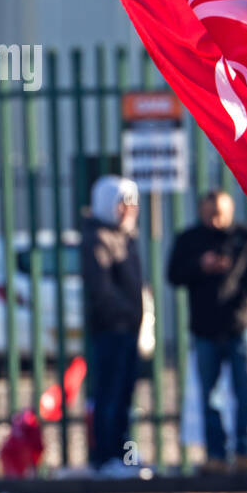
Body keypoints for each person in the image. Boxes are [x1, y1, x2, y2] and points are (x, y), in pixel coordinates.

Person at [167, 189, 247, 473]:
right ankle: (215, 454)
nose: (215, 220)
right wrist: (200, 266)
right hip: (205, 328)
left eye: (220, 214)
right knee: (209, 395)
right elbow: (173, 274)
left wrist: (245, 304)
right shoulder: (190, 239)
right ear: (201, 211)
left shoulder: (245, 237)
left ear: (230, 211)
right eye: (210, 213)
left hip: (240, 326)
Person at [81, 175, 144, 476]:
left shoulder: (125, 236)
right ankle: (107, 457)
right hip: (111, 330)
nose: (129, 210)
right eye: (123, 204)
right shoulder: (98, 238)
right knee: (110, 395)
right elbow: (101, 290)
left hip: (128, 329)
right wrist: (125, 314)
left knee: (124, 395)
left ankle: (122, 453)